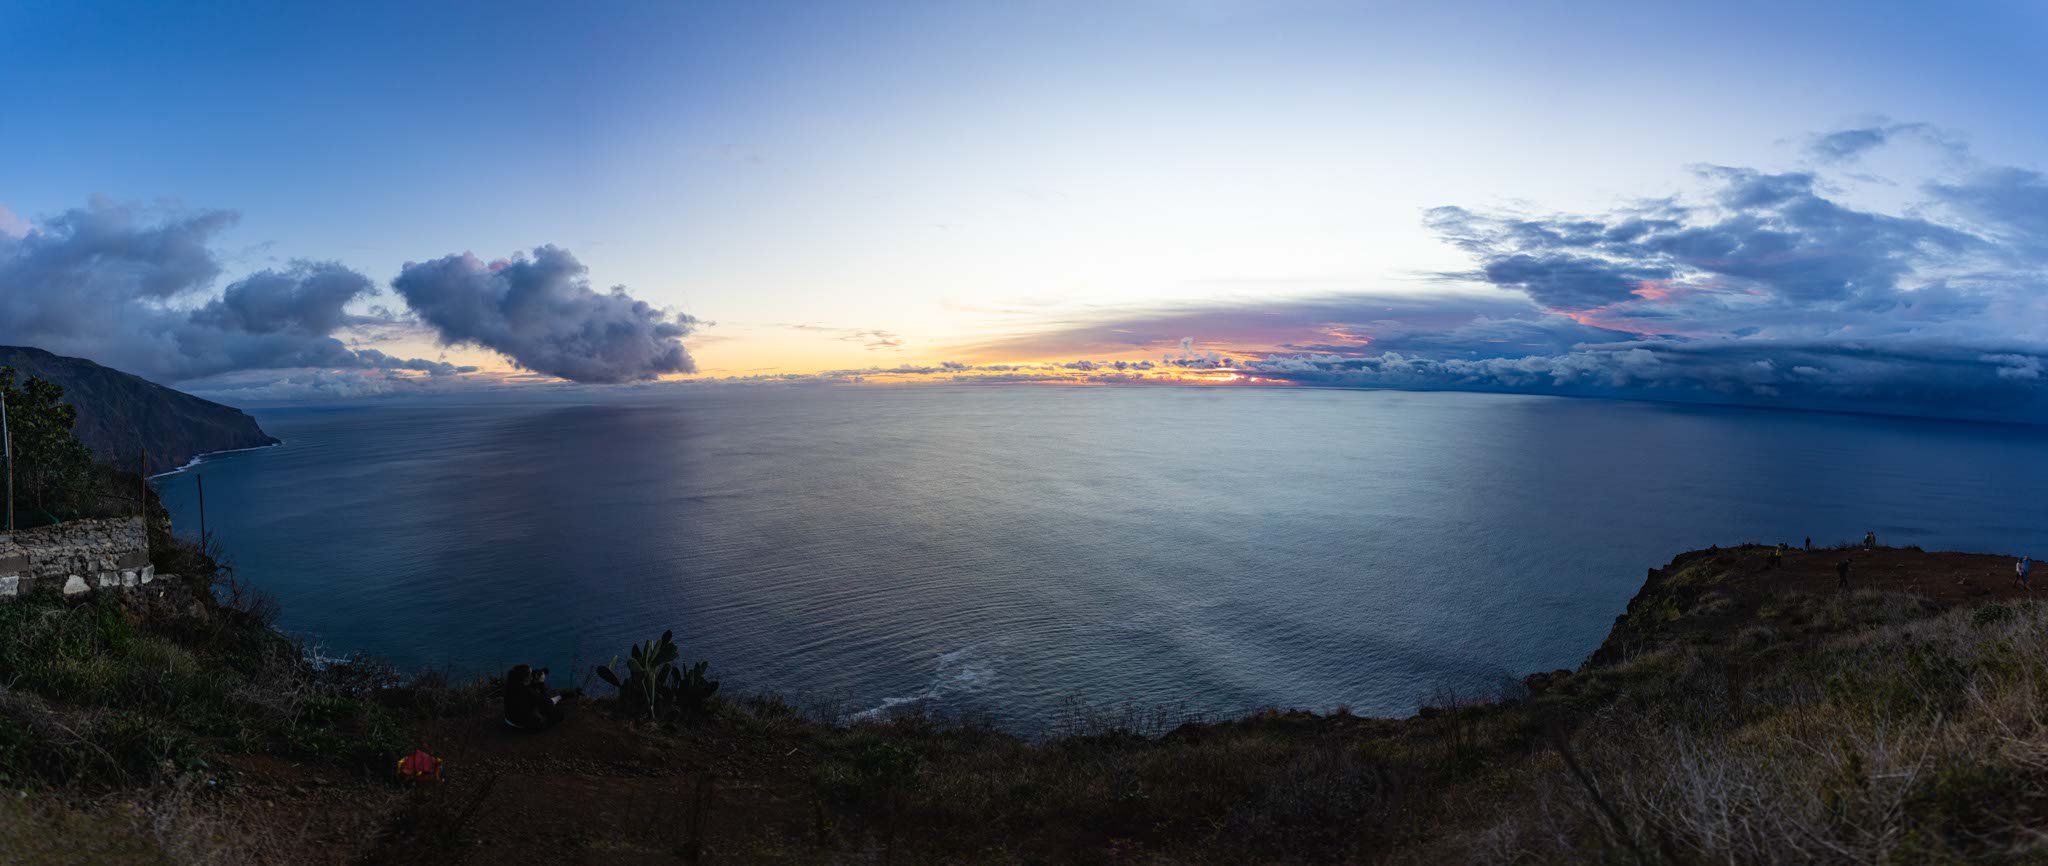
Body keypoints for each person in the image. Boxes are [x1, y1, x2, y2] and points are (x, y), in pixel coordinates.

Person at [503, 664, 568, 732]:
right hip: (523, 726)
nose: (533, 675)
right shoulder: (528, 692)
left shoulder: (510, 686)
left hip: (509, 720)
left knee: (536, 707)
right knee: (559, 714)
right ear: (526, 678)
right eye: (531, 673)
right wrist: (541, 684)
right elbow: (548, 704)